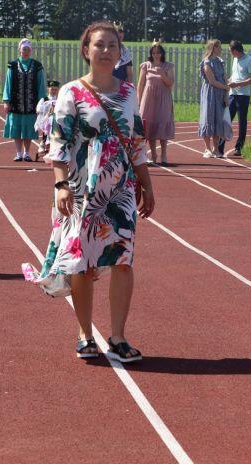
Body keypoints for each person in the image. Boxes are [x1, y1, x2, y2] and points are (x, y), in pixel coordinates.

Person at [21, 21, 155, 362]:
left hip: (120, 191)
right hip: (82, 189)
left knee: (123, 260)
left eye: (113, 45)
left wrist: (147, 185)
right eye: (100, 45)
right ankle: (84, 334)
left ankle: (119, 336)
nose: (107, 51)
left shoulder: (128, 93)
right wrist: (61, 184)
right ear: (86, 51)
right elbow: (59, 142)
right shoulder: (71, 92)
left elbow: (137, 143)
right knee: (81, 261)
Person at [2, 38, 46, 162]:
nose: (25, 51)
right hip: (16, 102)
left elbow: (41, 84)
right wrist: (6, 101)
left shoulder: (37, 66)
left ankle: (27, 153)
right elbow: (8, 83)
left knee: (28, 128)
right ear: (19, 50)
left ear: (30, 51)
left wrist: (41, 101)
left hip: (31, 103)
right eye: (24, 49)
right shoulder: (12, 65)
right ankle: (18, 153)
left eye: (28, 49)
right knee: (16, 128)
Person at [217, 40, 251, 157]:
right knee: (226, 119)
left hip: (243, 96)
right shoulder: (235, 59)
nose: (229, 52)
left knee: (242, 121)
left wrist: (237, 84)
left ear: (235, 50)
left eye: (230, 50)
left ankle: (239, 147)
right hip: (232, 94)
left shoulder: (249, 60)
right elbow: (235, 75)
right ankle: (220, 147)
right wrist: (228, 81)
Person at [137, 43, 175, 165]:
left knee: (163, 123)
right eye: (153, 53)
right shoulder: (145, 66)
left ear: (162, 53)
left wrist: (162, 75)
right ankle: (153, 153)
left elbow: (170, 83)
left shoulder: (168, 66)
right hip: (148, 99)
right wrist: (138, 99)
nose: (156, 55)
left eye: (158, 53)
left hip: (163, 98)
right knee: (149, 125)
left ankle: (164, 154)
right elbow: (141, 84)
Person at [197, 39, 230, 158]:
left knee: (218, 119)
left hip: (220, 93)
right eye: (219, 47)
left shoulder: (220, 62)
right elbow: (212, 81)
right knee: (208, 118)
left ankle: (216, 149)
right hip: (210, 94)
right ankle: (207, 149)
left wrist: (226, 94)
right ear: (213, 48)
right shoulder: (207, 63)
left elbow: (225, 78)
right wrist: (225, 87)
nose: (221, 49)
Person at [34, 79, 60, 161]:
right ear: (48, 89)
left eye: (55, 89)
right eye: (52, 89)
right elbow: (38, 110)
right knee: (49, 125)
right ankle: (44, 143)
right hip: (46, 121)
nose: (54, 91)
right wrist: (47, 108)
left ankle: (49, 146)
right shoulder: (44, 99)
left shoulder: (60, 99)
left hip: (57, 121)